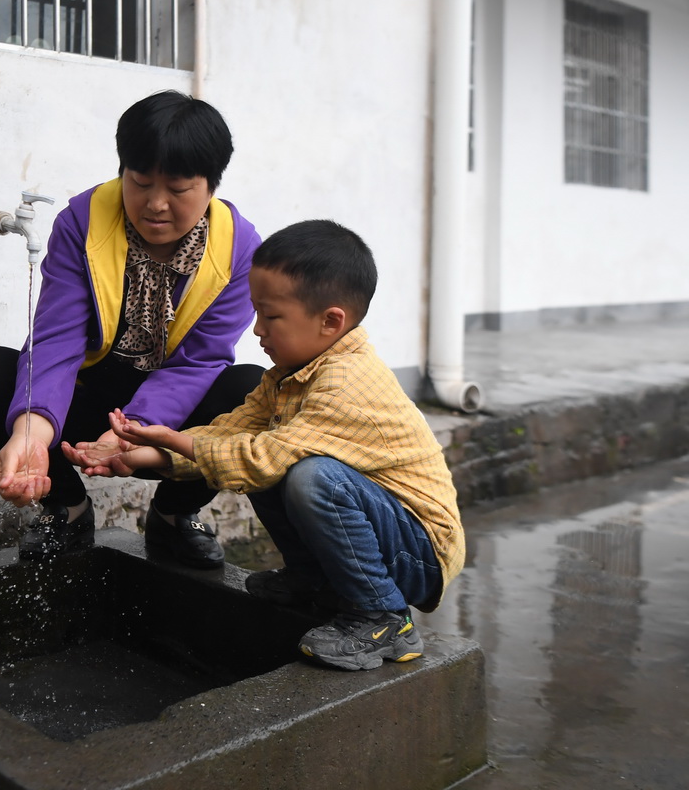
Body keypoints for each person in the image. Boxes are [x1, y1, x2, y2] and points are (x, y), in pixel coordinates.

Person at [62, 219, 465, 671]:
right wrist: (141, 455)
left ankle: (383, 617)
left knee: (311, 477)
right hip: (383, 530)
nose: (257, 330)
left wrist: (172, 440)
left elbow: (260, 458)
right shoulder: (293, 373)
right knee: (272, 457)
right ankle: (315, 584)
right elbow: (231, 433)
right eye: (256, 313)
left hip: (419, 551)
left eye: (271, 316)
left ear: (331, 321)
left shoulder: (346, 381)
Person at [0, 90, 263, 570]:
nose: (155, 204)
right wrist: (33, 434)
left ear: (210, 186)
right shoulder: (83, 221)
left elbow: (200, 361)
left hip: (170, 420)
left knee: (251, 394)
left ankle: (174, 515)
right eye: (139, 182)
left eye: (178, 189)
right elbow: (57, 339)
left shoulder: (239, 249)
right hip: (85, 395)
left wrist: (131, 433)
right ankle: (67, 509)